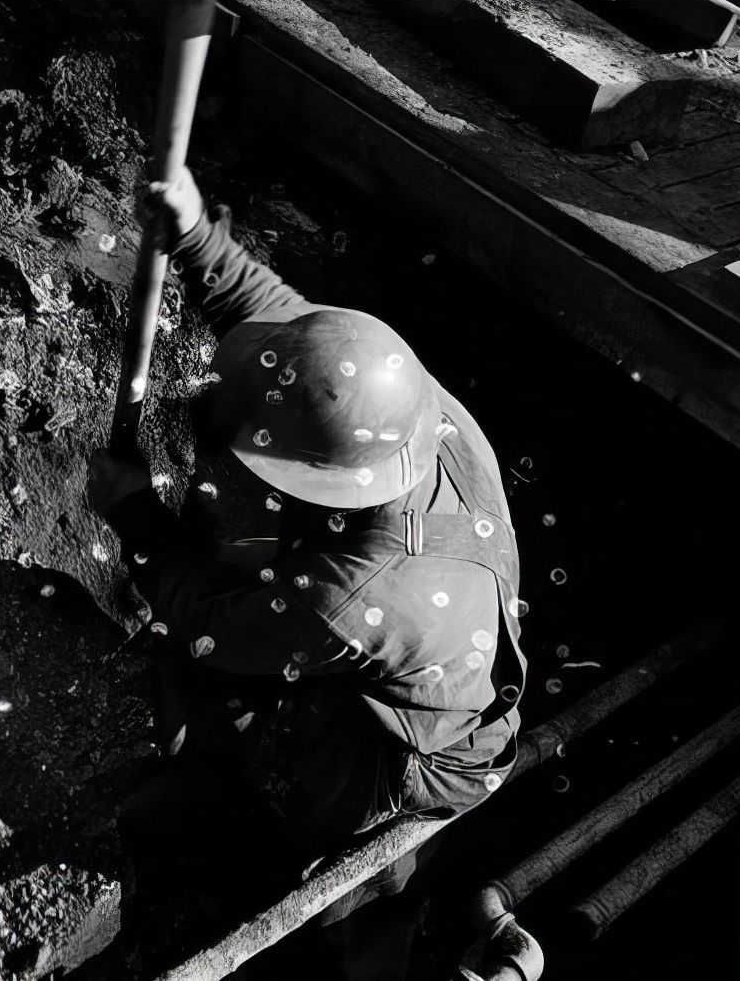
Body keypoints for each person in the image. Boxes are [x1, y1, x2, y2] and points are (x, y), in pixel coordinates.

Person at [87, 168, 528, 978]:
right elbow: (291, 331)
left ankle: (368, 928)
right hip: (432, 643)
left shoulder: (347, 597)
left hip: (412, 749)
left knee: (320, 848)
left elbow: (210, 624)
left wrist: (134, 519)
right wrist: (194, 232)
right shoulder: (402, 398)